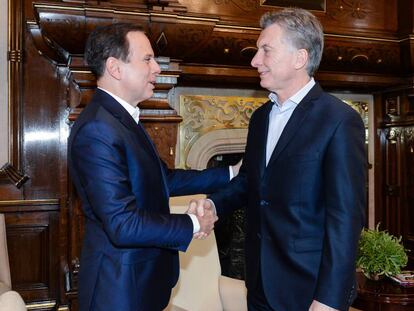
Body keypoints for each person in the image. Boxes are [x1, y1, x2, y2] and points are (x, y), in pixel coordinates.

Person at [193, 8, 366, 311]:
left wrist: (329, 299)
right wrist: (214, 204)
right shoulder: (260, 117)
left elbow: (345, 219)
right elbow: (250, 182)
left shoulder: (339, 120)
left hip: (309, 291)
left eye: (265, 50)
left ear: (300, 58)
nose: (254, 60)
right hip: (259, 283)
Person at [68, 23, 236, 311]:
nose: (157, 68)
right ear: (115, 67)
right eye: (147, 59)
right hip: (118, 291)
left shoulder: (121, 119)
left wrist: (231, 173)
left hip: (140, 284)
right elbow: (122, 224)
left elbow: (162, 179)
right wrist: (194, 223)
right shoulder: (98, 129)